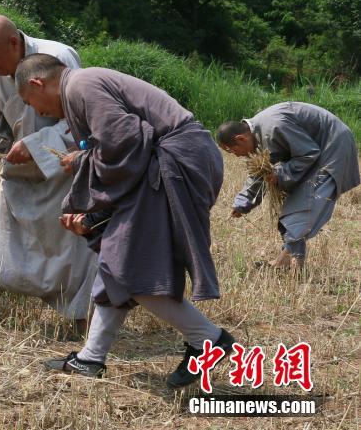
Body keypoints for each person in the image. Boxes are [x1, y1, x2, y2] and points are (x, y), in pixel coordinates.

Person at [14, 53, 235, 387]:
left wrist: (81, 161)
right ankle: (90, 358)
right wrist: (93, 213)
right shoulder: (81, 90)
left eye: (31, 103)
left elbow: (124, 142)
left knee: (132, 266)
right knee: (115, 265)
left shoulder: (82, 85)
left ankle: (209, 340)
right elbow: (122, 149)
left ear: (37, 83)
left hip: (174, 161)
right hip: (167, 162)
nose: (37, 112)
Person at [0, 16, 96, 336]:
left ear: (14, 43)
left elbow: (80, 119)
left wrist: (38, 146)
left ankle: (78, 317)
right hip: (18, 173)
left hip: (63, 169)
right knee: (2, 241)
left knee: (69, 249)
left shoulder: (58, 57)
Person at [217, 102, 360, 271]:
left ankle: (287, 263)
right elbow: (260, 172)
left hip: (332, 146)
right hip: (317, 150)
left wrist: (279, 174)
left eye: (233, 151)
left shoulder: (273, 127)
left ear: (240, 139)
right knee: (294, 208)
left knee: (303, 207)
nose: (237, 156)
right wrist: (243, 203)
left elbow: (309, 153)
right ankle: (289, 263)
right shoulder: (259, 135)